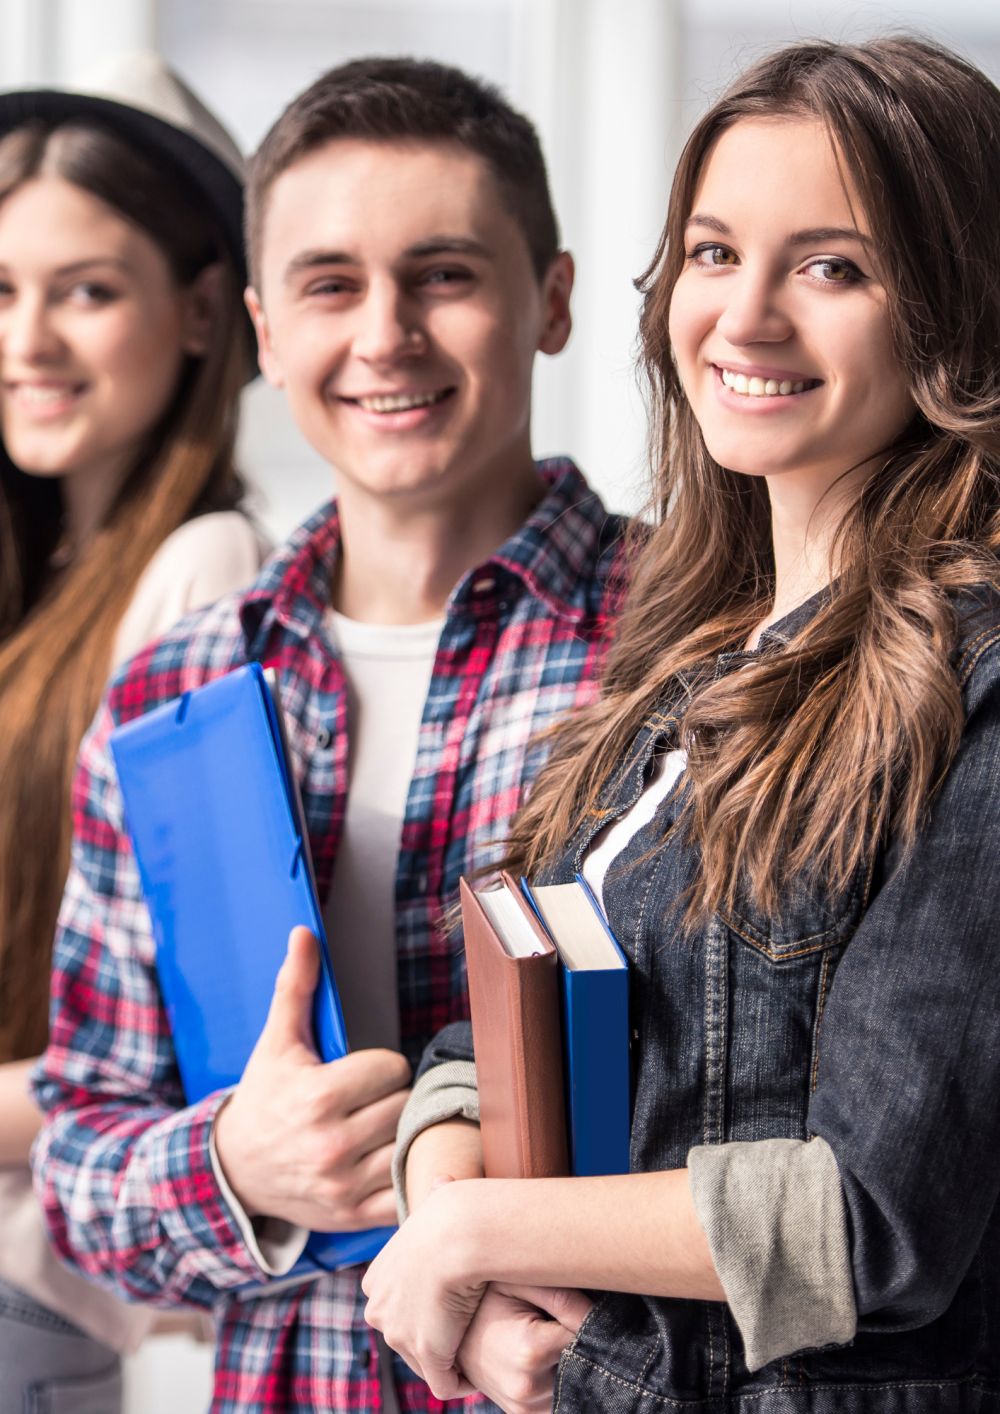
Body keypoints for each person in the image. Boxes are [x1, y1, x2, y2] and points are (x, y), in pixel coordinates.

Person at [361, 34, 1000, 1413]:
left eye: (832, 266)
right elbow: (486, 1032)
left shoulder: (978, 679)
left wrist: (476, 1237)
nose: (747, 317)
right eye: (714, 254)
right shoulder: (686, 656)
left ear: (953, 309)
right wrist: (453, 1228)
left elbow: (868, 1221)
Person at [31, 57, 628, 1413]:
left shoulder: (696, 651)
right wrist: (241, 1163)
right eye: (329, 284)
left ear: (555, 300)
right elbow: (80, 1157)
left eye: (445, 275)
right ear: (259, 325)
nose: (385, 335)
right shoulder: (173, 690)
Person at [0, 51, 265, 1412]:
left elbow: (185, 1043)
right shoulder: (41, 586)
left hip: (47, 1294)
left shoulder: (205, 572)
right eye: (1, 292)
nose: (25, 342)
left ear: (209, 311)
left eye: (86, 292)